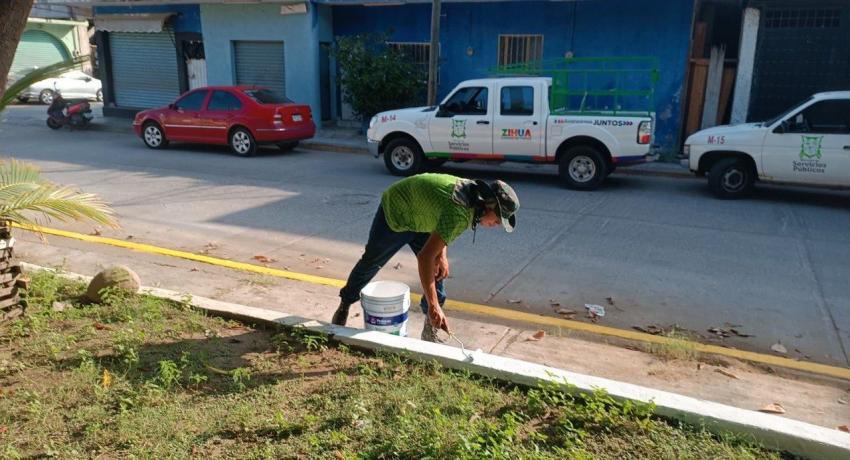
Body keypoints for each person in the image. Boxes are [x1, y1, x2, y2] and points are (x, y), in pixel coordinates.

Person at [332, 173, 519, 342]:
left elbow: (443, 223)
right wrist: (434, 304)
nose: (496, 225)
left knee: (438, 271)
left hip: (423, 219)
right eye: (497, 219)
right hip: (397, 212)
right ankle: (345, 304)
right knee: (371, 262)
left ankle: (429, 331)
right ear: (488, 205)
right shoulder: (461, 211)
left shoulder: (471, 197)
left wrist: (442, 255)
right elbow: (425, 257)